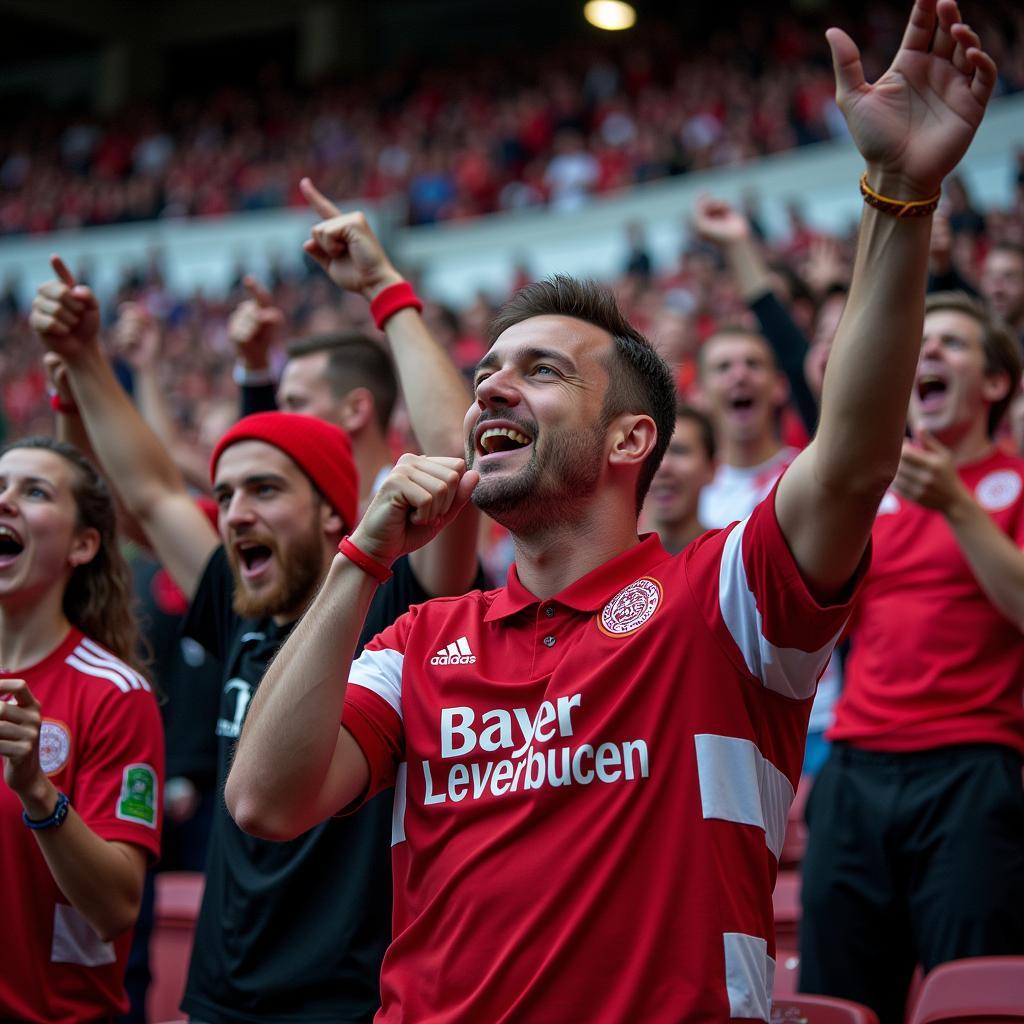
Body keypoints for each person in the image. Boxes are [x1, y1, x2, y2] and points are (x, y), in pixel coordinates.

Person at [225, 4, 997, 1017]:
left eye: (540, 371)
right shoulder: (417, 640)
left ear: (633, 440)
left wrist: (898, 197)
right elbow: (264, 801)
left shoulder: (722, 601)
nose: (492, 389)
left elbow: (851, 457)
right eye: (488, 371)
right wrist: (359, 560)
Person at [30, 187, 480, 1023]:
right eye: (228, 492)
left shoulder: (402, 607)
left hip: (350, 1003)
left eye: (265, 490)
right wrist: (87, 357)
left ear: (334, 513)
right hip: (217, 999)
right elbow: (152, 490)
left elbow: (459, 458)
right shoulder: (238, 603)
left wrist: (385, 288)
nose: (234, 513)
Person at [799, 291, 1024, 1024]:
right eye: (920, 342)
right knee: (835, 997)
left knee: (971, 1000)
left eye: (953, 344)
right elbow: (816, 622)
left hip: (973, 771)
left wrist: (958, 505)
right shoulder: (874, 496)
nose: (928, 352)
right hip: (855, 770)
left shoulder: (1017, 485)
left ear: (996, 383)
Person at [0, 434, 164, 1024]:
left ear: (83, 544)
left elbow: (117, 907)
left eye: (34, 491)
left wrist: (37, 790)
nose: (6, 500)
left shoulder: (114, 693)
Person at [643, 403, 715, 552]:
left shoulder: (728, 556)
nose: (663, 466)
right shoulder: (609, 558)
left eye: (679, 451)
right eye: (653, 453)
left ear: (712, 468)